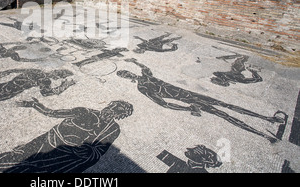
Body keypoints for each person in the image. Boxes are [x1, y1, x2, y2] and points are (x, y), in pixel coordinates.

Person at [117, 58, 287, 143]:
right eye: (126, 75)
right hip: (187, 99)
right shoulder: (142, 88)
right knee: (223, 114)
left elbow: (146, 68)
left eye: (127, 71)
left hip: (191, 93)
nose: (129, 74)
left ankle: (268, 119)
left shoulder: (145, 76)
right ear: (126, 78)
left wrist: (135, 61)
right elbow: (163, 103)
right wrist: (188, 108)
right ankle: (264, 135)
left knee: (228, 105)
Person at [0, 98, 133, 173]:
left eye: (115, 114)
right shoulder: (84, 111)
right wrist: (36, 105)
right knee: (14, 156)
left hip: (63, 157)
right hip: (47, 140)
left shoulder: (112, 130)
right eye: (110, 109)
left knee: (29, 170)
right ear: (109, 106)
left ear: (119, 117)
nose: (108, 114)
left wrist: (86, 152)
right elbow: (52, 113)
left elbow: (99, 152)